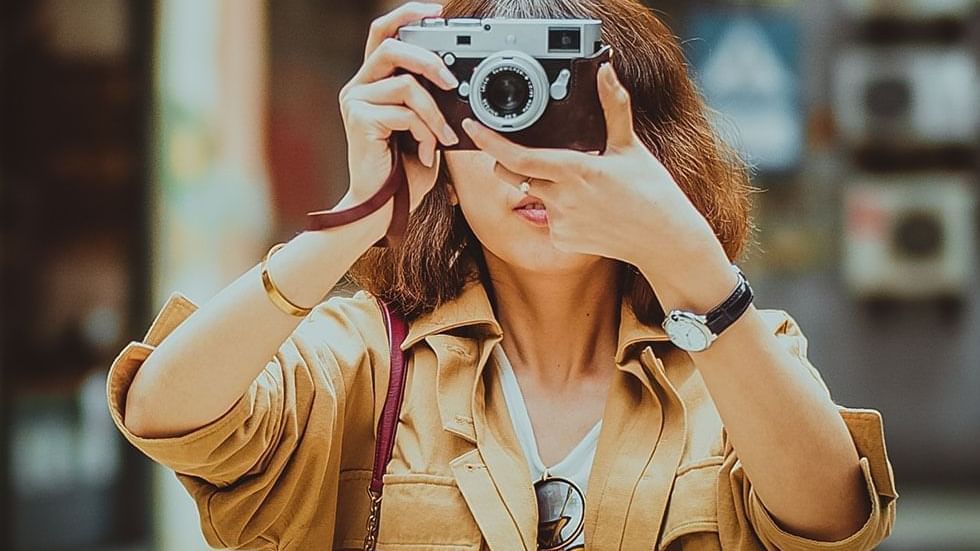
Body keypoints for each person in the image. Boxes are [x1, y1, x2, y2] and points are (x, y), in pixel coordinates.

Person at [106, 1, 897, 550]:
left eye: (566, 113)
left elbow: (832, 519)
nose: (528, 161)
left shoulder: (732, 357)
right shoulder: (364, 363)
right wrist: (353, 218)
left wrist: (690, 259)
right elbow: (166, 412)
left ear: (647, 148)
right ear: (439, 145)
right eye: (498, 102)